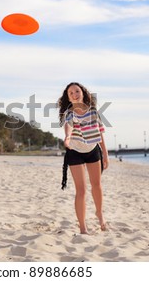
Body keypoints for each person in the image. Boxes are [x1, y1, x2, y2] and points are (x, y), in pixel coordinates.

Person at [58, 82, 108, 234]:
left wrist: (105, 154)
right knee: (81, 190)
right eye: (71, 93)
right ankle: (82, 227)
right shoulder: (69, 113)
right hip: (75, 152)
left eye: (77, 91)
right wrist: (67, 137)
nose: (74, 94)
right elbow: (69, 126)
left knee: (97, 185)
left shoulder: (93, 112)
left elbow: (100, 134)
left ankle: (99, 214)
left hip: (93, 150)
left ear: (83, 93)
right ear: (68, 98)